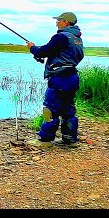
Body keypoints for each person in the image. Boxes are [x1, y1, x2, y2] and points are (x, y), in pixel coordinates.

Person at [26, 12, 84, 145]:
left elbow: (43, 51)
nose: (57, 23)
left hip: (59, 78)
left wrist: (32, 48)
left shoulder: (61, 37)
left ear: (66, 22)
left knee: (50, 108)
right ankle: (69, 137)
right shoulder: (77, 39)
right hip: (72, 77)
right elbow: (74, 56)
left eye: (59, 20)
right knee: (68, 109)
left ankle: (45, 138)